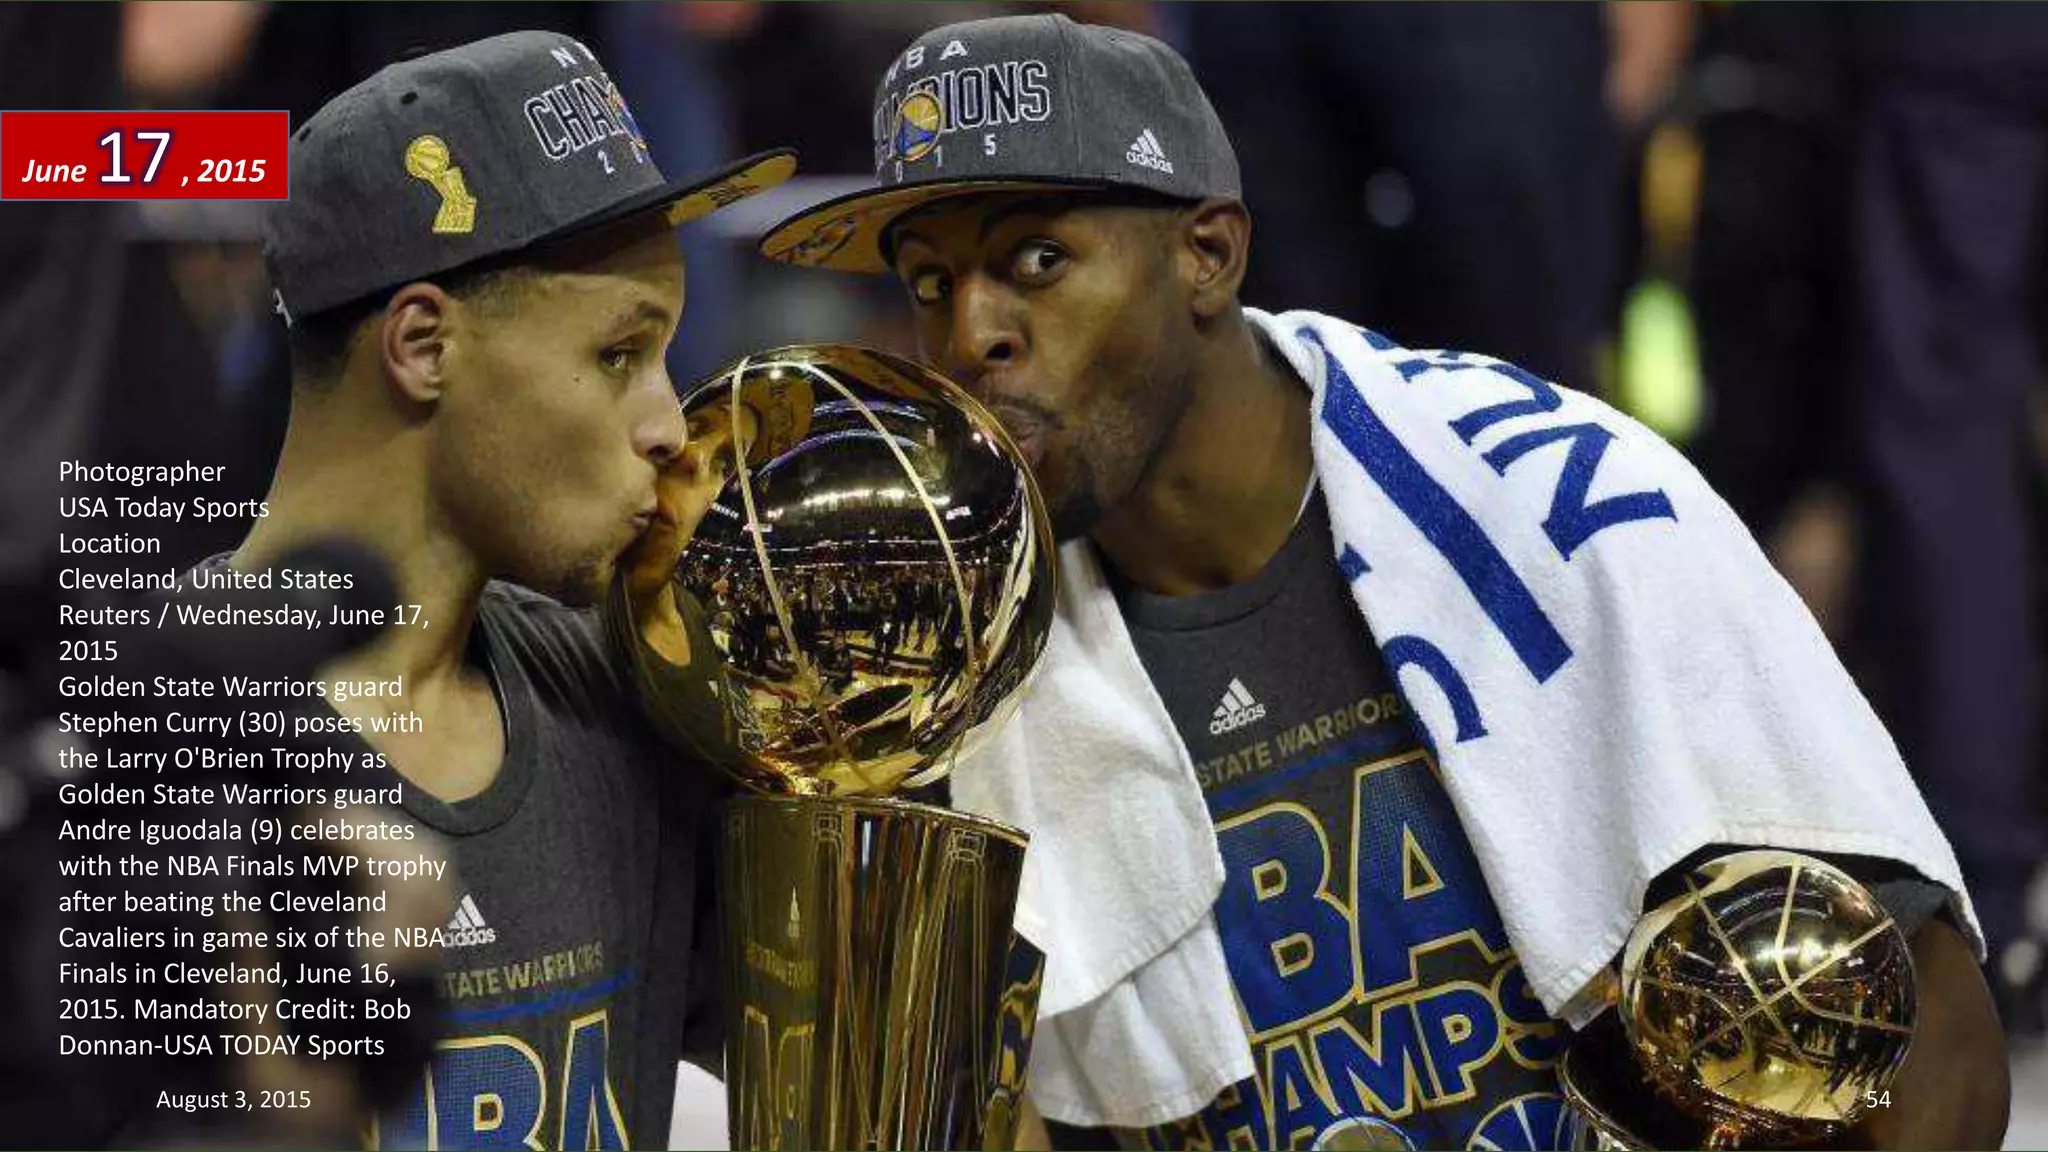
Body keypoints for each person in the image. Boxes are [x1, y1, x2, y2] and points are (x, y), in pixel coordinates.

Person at [758, 14, 2010, 1149]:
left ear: (1205, 255)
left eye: (1033, 260)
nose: (968, 333)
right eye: (929, 283)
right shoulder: (929, 673)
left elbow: (1917, 1026)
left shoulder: (1562, 504)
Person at [242, 31, 792, 1148]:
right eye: (617, 355)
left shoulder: (636, 692)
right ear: (424, 345)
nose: (668, 426)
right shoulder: (131, 766)